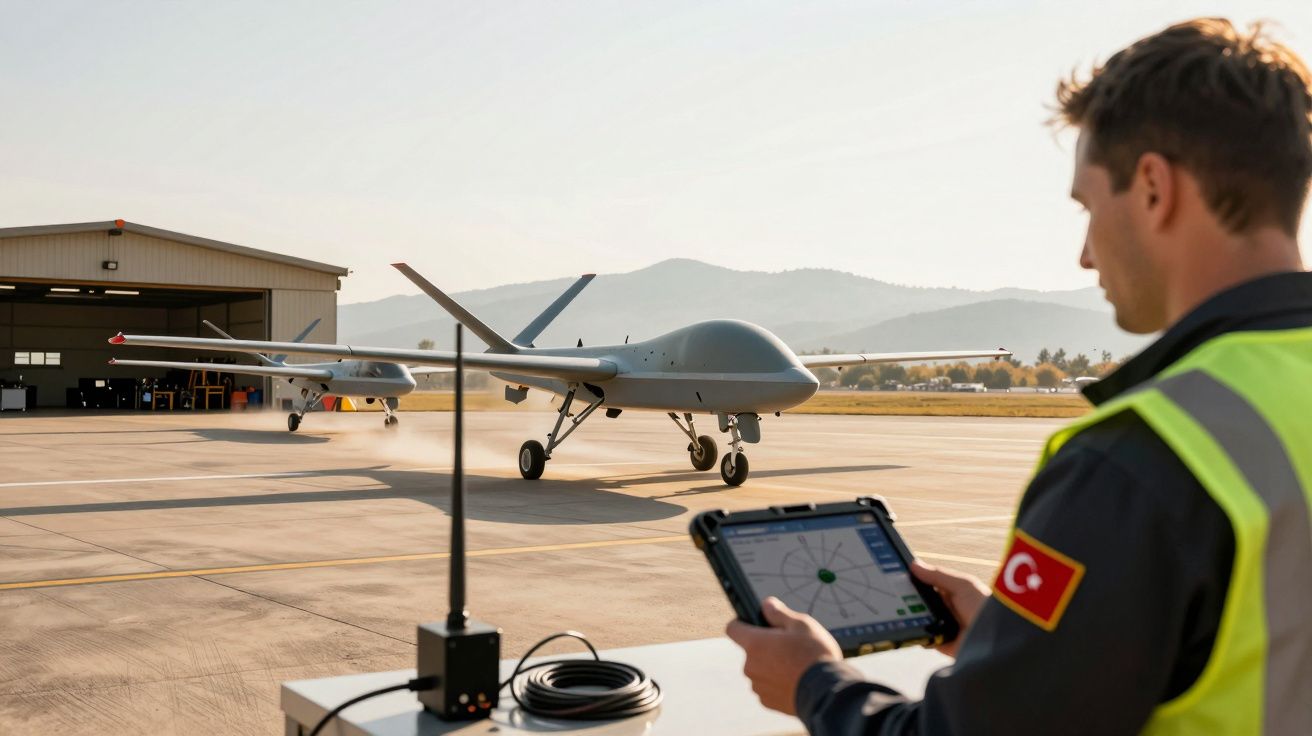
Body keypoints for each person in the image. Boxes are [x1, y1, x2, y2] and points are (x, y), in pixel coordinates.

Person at [728, 18, 1312, 735]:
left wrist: (816, 685)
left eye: (1089, 207)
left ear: (1155, 188)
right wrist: (1032, 646)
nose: (1085, 256)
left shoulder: (1141, 459)